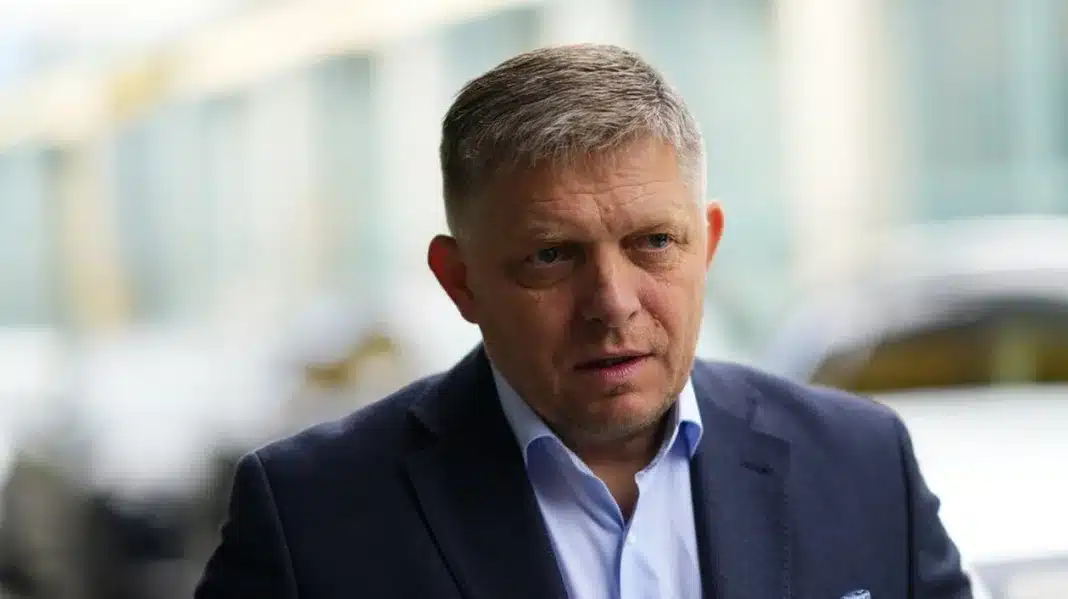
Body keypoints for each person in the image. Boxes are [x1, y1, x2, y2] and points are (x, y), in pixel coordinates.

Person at [195, 44, 972, 599]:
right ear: (459, 281)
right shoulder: (312, 517)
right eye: (551, 256)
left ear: (707, 245)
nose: (612, 302)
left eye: (654, 243)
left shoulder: (862, 463)